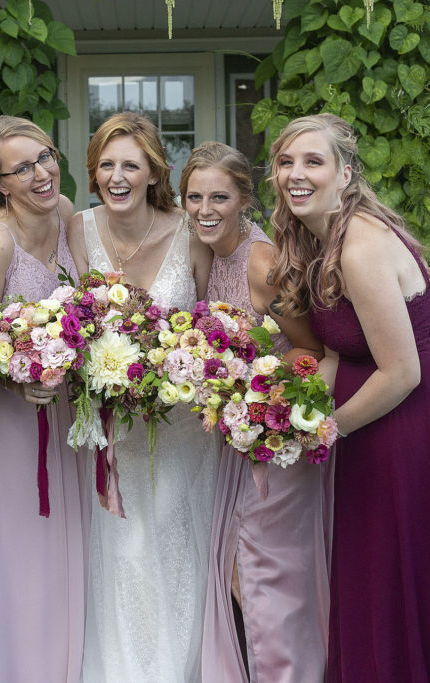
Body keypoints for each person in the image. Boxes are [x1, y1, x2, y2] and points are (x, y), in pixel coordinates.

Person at [268, 114, 430, 682]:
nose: (295, 175)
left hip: (406, 435)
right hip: (374, 432)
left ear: (345, 174)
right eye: (285, 163)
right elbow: (345, 358)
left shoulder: (360, 248)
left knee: (396, 585)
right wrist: (272, 397)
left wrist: (326, 431)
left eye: (313, 162)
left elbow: (401, 372)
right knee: (380, 586)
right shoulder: (325, 241)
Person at [66, 112, 215, 682]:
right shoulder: (78, 228)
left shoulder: (188, 232)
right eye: (106, 164)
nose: (117, 176)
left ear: (155, 172)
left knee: (176, 554)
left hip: (180, 431)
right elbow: (74, 323)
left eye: (131, 164)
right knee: (123, 558)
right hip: (110, 434)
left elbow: (213, 325)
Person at [180, 142, 331, 683]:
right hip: (232, 442)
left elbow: (313, 352)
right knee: (238, 574)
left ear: (245, 198)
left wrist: (256, 387)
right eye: (194, 196)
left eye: (219, 196)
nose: (204, 209)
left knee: (263, 576)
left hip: (274, 441)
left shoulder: (261, 262)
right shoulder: (208, 253)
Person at [0, 115, 88, 683]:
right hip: (11, 423)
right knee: (23, 555)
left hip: (66, 417)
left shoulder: (63, 215)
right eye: (22, 168)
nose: (42, 173)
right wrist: (17, 378)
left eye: (45, 156)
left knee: (68, 551)